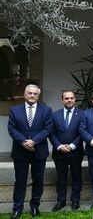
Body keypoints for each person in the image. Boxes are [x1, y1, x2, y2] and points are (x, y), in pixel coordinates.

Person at [8, 84, 53, 218]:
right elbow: (12, 129)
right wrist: (23, 141)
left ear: (38, 96)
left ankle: (34, 207)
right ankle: (17, 209)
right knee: (20, 181)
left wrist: (33, 141)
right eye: (29, 93)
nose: (32, 96)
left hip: (39, 151)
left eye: (35, 94)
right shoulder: (14, 110)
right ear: (24, 94)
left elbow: (48, 128)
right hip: (20, 151)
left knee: (38, 180)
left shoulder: (46, 110)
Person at [49, 90, 84, 212]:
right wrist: (59, 146)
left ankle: (75, 201)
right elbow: (51, 132)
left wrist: (73, 145)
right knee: (61, 178)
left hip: (76, 152)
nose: (69, 100)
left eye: (71, 98)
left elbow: (82, 132)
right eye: (66, 98)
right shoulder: (54, 115)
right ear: (62, 100)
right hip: (59, 152)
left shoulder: (81, 114)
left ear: (75, 99)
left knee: (76, 177)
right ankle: (61, 201)